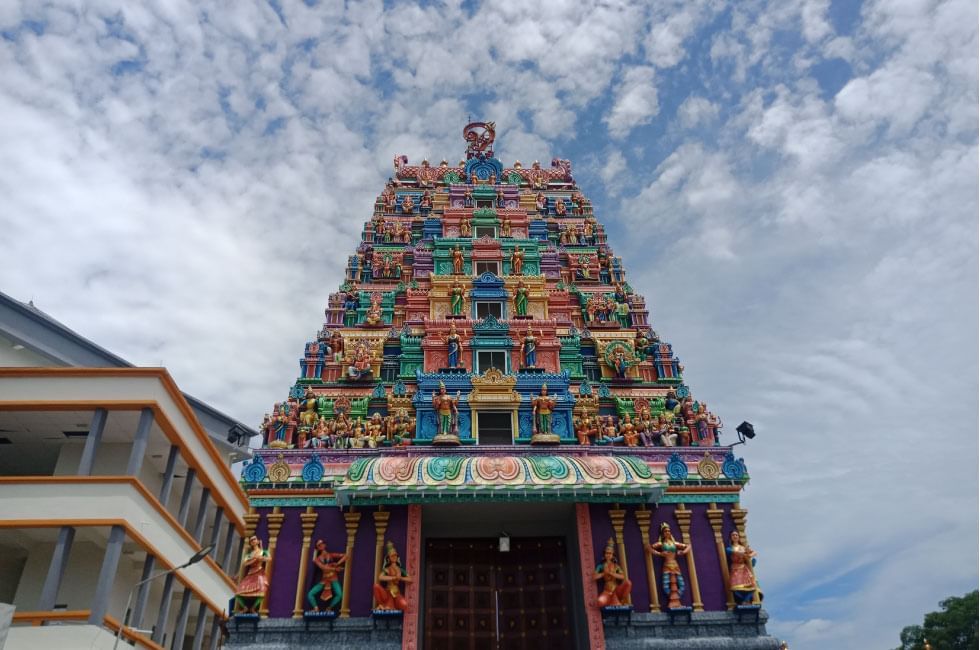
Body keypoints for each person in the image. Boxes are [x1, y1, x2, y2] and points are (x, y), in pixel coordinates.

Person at [647, 523, 690, 609]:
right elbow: (648, 547)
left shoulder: (674, 543)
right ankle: (672, 600)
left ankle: (676, 600)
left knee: (681, 584)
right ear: (662, 533)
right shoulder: (661, 543)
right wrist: (659, 553)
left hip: (675, 565)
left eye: (669, 531)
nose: (667, 532)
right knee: (665, 585)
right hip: (667, 565)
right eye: (665, 531)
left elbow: (688, 546)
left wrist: (683, 552)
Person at [307, 538, 347, 612]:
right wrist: (335, 569)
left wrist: (337, 563)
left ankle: (329, 608)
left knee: (339, 595)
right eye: (319, 545)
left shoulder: (331, 555)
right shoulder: (317, 559)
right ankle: (316, 608)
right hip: (324, 580)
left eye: (322, 543)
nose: (321, 545)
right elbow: (323, 567)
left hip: (333, 578)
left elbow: (345, 556)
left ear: (325, 545)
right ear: (317, 548)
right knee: (310, 594)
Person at [373, 541, 412, 611]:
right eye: (392, 556)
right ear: (389, 558)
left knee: (404, 605)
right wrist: (393, 578)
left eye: (395, 555)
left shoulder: (400, 570)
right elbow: (380, 577)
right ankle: (382, 604)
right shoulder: (387, 569)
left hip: (396, 593)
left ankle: (390, 605)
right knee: (376, 586)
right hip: (388, 592)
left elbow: (410, 579)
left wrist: (401, 578)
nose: (394, 557)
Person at [235, 536, 270, 613]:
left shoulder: (263, 551)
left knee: (262, 591)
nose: (253, 541)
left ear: (257, 541)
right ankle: (245, 608)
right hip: (251, 574)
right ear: (250, 543)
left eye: (254, 539)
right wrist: (254, 559)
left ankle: (253, 608)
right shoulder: (249, 555)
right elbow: (245, 564)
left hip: (259, 572)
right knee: (238, 592)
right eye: (251, 540)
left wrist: (261, 558)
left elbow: (269, 559)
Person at [594, 538, 632, 607]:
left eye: (610, 553)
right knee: (600, 602)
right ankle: (612, 600)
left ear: (613, 555)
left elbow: (622, 576)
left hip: (616, 589)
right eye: (606, 553)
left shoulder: (616, 566)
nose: (608, 555)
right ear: (604, 554)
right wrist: (604, 573)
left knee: (628, 583)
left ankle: (621, 600)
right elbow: (594, 576)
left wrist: (612, 573)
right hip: (607, 591)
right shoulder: (601, 566)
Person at [726, 530, 761, 605]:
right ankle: (743, 600)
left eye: (736, 535)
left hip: (744, 568)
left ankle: (746, 600)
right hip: (735, 568)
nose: (735, 536)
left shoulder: (743, 547)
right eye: (733, 535)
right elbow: (730, 551)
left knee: (752, 585)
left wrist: (749, 555)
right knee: (734, 587)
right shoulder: (730, 548)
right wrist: (742, 553)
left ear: (739, 537)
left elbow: (754, 552)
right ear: (731, 537)